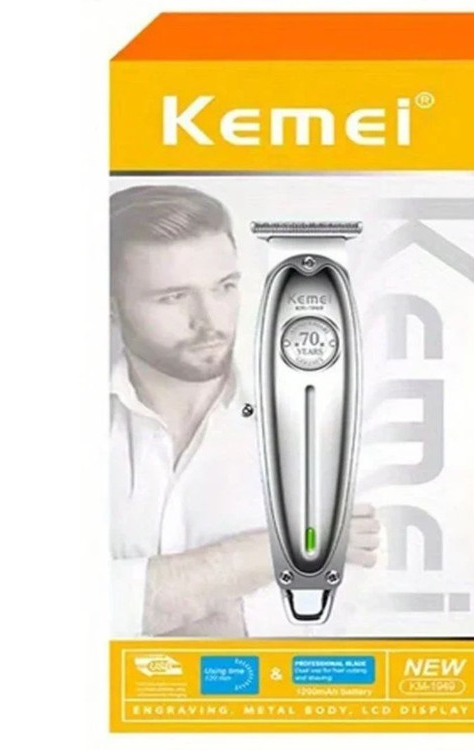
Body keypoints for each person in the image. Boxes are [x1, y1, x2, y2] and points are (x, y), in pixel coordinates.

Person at [109, 185, 379, 637]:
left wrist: (144, 601)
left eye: (224, 287)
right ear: (110, 307)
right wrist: (273, 551)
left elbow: (355, 610)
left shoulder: (325, 416)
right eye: (172, 297)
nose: (211, 321)